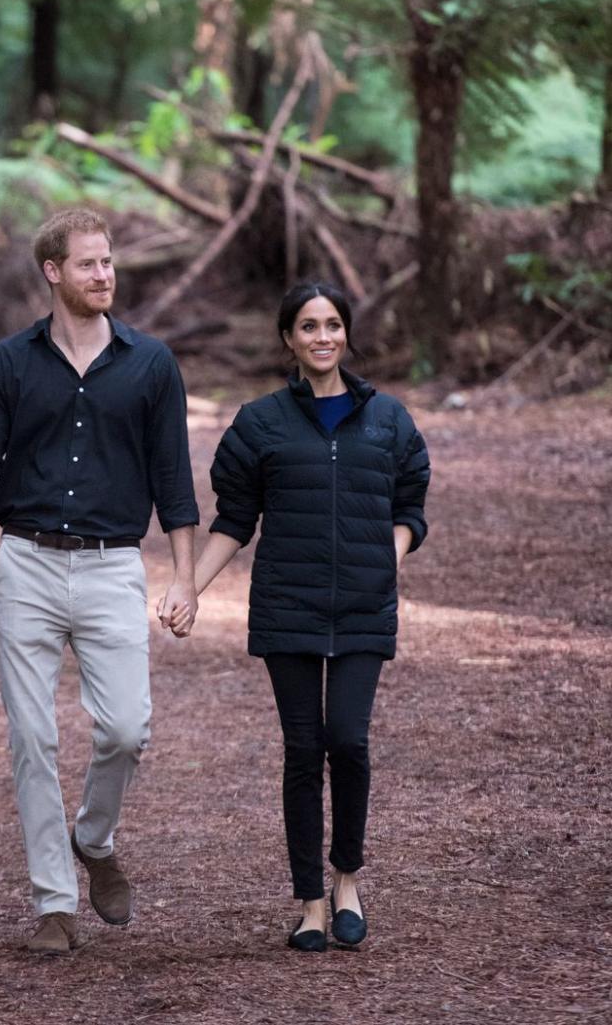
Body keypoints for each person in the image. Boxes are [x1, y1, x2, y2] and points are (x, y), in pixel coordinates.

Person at [0, 206, 199, 956]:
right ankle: (54, 900)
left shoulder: (151, 365)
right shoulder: (8, 364)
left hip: (112, 564)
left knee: (127, 728)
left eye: (109, 261)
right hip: (24, 561)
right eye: (89, 263)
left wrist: (185, 577)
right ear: (52, 271)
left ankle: (93, 836)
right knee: (31, 736)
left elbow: (174, 480)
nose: (105, 274)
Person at [161, 282, 429, 952]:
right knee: (304, 749)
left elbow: (411, 505)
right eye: (308, 326)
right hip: (289, 606)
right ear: (288, 338)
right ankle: (309, 899)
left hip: (364, 605)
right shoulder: (261, 423)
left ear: (346, 334)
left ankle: (347, 881)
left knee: (350, 739)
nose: (322, 337)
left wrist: (387, 557)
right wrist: (188, 586)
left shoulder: (388, 420)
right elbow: (233, 520)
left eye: (333, 324)